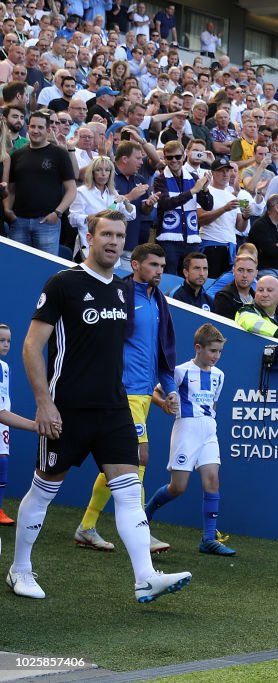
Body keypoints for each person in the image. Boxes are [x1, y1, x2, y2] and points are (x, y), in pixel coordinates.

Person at [9, 210, 191, 602]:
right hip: (67, 410)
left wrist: (157, 393)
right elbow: (30, 346)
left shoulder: (124, 292)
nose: (113, 241)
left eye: (119, 235)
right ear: (89, 237)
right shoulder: (63, 284)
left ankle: (146, 576)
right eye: (105, 234)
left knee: (128, 492)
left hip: (114, 409)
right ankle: (20, 569)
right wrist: (44, 403)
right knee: (43, 492)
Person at [75, 242, 177, 555]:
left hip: (143, 394)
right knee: (138, 458)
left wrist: (168, 389)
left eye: (162, 266)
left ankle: (87, 526)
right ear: (135, 265)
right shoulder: (119, 295)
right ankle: (140, 531)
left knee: (119, 463)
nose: (159, 271)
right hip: (122, 393)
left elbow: (161, 352)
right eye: (153, 265)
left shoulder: (158, 300)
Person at [145, 324, 236, 556]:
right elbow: (154, 391)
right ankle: (144, 517)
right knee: (178, 487)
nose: (216, 356)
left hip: (209, 431)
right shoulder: (181, 371)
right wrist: (164, 404)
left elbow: (213, 403)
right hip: (186, 429)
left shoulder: (219, 375)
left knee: (212, 481)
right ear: (198, 348)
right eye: (212, 351)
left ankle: (208, 538)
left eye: (220, 352)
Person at [4, 110, 77, 255]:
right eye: (32, 127)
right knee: (17, 267)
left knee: (45, 271)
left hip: (47, 223)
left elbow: (71, 189)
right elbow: (11, 189)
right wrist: (8, 210)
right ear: (28, 127)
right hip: (19, 222)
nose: (35, 131)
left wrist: (57, 213)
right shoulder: (17, 155)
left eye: (40, 127)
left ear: (48, 130)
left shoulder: (59, 154)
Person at [153, 140, 214, 276]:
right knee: (169, 278)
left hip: (191, 239)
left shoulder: (193, 177)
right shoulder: (160, 179)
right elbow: (165, 203)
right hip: (169, 242)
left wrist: (204, 190)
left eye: (177, 157)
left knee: (192, 278)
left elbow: (208, 205)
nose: (174, 160)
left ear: (184, 156)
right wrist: (192, 191)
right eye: (169, 157)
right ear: (165, 158)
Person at [0, 323, 37, 526]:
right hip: (3, 416)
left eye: (8, 341)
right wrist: (34, 425)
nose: (6, 345)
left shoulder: (5, 368)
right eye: (1, 340)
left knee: (2, 462)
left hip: (3, 421)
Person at [69, 155, 138, 257]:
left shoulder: (113, 193)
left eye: (107, 170)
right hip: (89, 245)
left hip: (111, 245)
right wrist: (90, 218)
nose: (103, 174)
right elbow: (72, 219)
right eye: (98, 170)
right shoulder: (81, 192)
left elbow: (129, 216)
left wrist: (126, 202)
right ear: (92, 173)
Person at [235, 275, 278, 344]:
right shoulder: (245, 311)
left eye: (269, 290)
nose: (265, 294)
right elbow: (252, 323)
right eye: (260, 290)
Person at [212, 252, 257, 320]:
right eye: (240, 270)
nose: (245, 275)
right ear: (233, 271)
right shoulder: (223, 296)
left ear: (256, 273)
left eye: (249, 271)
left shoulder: (257, 298)